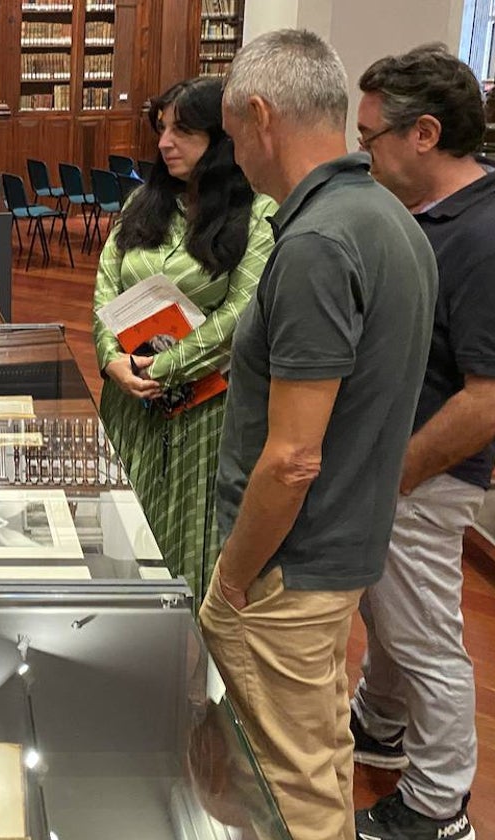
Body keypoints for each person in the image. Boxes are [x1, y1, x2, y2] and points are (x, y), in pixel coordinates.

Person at [200, 30, 437, 840]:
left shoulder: (314, 243)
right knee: (318, 755)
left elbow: (293, 457)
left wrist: (231, 582)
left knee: (288, 787)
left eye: (233, 137)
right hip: (339, 551)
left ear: (260, 116)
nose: (236, 158)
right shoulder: (391, 220)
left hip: (286, 567)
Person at [348, 45, 495, 840]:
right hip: (400, 469)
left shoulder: (482, 236)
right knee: (394, 614)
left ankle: (439, 807)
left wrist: (398, 474)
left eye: (372, 137)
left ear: (426, 133)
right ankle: (378, 724)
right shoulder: (430, 220)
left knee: (427, 638)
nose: (362, 150)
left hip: (426, 473)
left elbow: (487, 399)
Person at [92, 76, 276, 601]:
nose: (164, 142)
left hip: (203, 410)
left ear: (221, 139)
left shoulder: (257, 215)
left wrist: (162, 368)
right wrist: (111, 360)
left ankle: (186, 663)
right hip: (127, 398)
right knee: (121, 529)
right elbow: (106, 284)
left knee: (189, 540)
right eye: (162, 128)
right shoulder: (140, 204)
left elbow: (239, 314)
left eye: (183, 131)